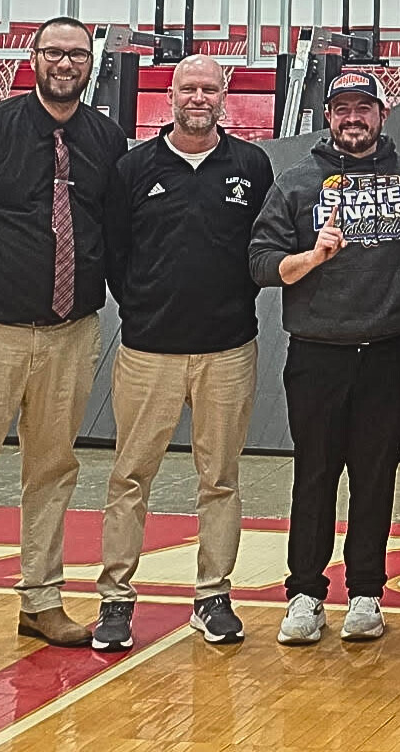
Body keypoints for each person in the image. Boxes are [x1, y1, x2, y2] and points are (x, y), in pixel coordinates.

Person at [0, 16, 127, 675]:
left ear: (91, 63)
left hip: (70, 335)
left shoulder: (106, 138)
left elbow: (106, 225)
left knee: (53, 472)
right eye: (55, 50)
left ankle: (40, 599)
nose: (67, 61)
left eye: (78, 52)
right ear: (33, 58)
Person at [93, 55, 273, 652]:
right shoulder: (133, 167)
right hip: (150, 350)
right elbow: (115, 253)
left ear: (226, 95)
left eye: (209, 88)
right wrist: (144, 307)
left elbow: (260, 249)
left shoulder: (251, 164)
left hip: (228, 349)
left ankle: (212, 596)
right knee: (129, 476)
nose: (199, 97)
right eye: (188, 88)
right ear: (170, 95)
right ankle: (116, 600)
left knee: (219, 477)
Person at [249, 71, 400, 645]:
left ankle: (366, 594)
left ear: (382, 114)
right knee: (315, 475)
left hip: (386, 351)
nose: (353, 119)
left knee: (375, 479)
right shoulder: (297, 182)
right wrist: (313, 256)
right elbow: (259, 262)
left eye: (364, 109)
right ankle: (304, 593)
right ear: (328, 116)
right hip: (317, 353)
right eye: (342, 109)